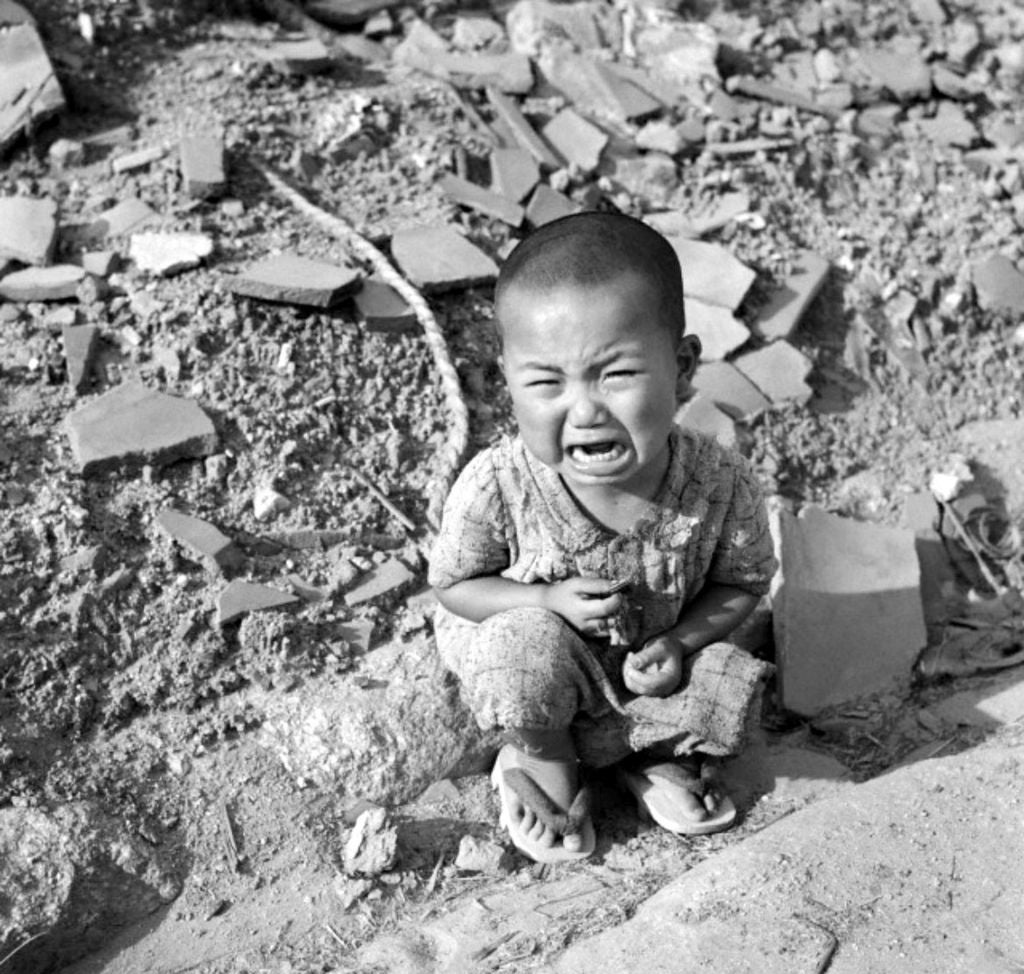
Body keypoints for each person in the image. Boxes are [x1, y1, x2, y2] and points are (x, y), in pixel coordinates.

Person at [428, 211, 777, 863]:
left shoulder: (720, 481)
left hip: (653, 675)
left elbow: (743, 585)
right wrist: (550, 602)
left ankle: (647, 757)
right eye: (546, 382)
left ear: (682, 366)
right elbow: (455, 589)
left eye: (615, 375)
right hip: (552, 678)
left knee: (729, 672)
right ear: (507, 379)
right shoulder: (498, 484)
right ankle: (546, 758)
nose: (584, 410)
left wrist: (680, 641)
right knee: (522, 644)